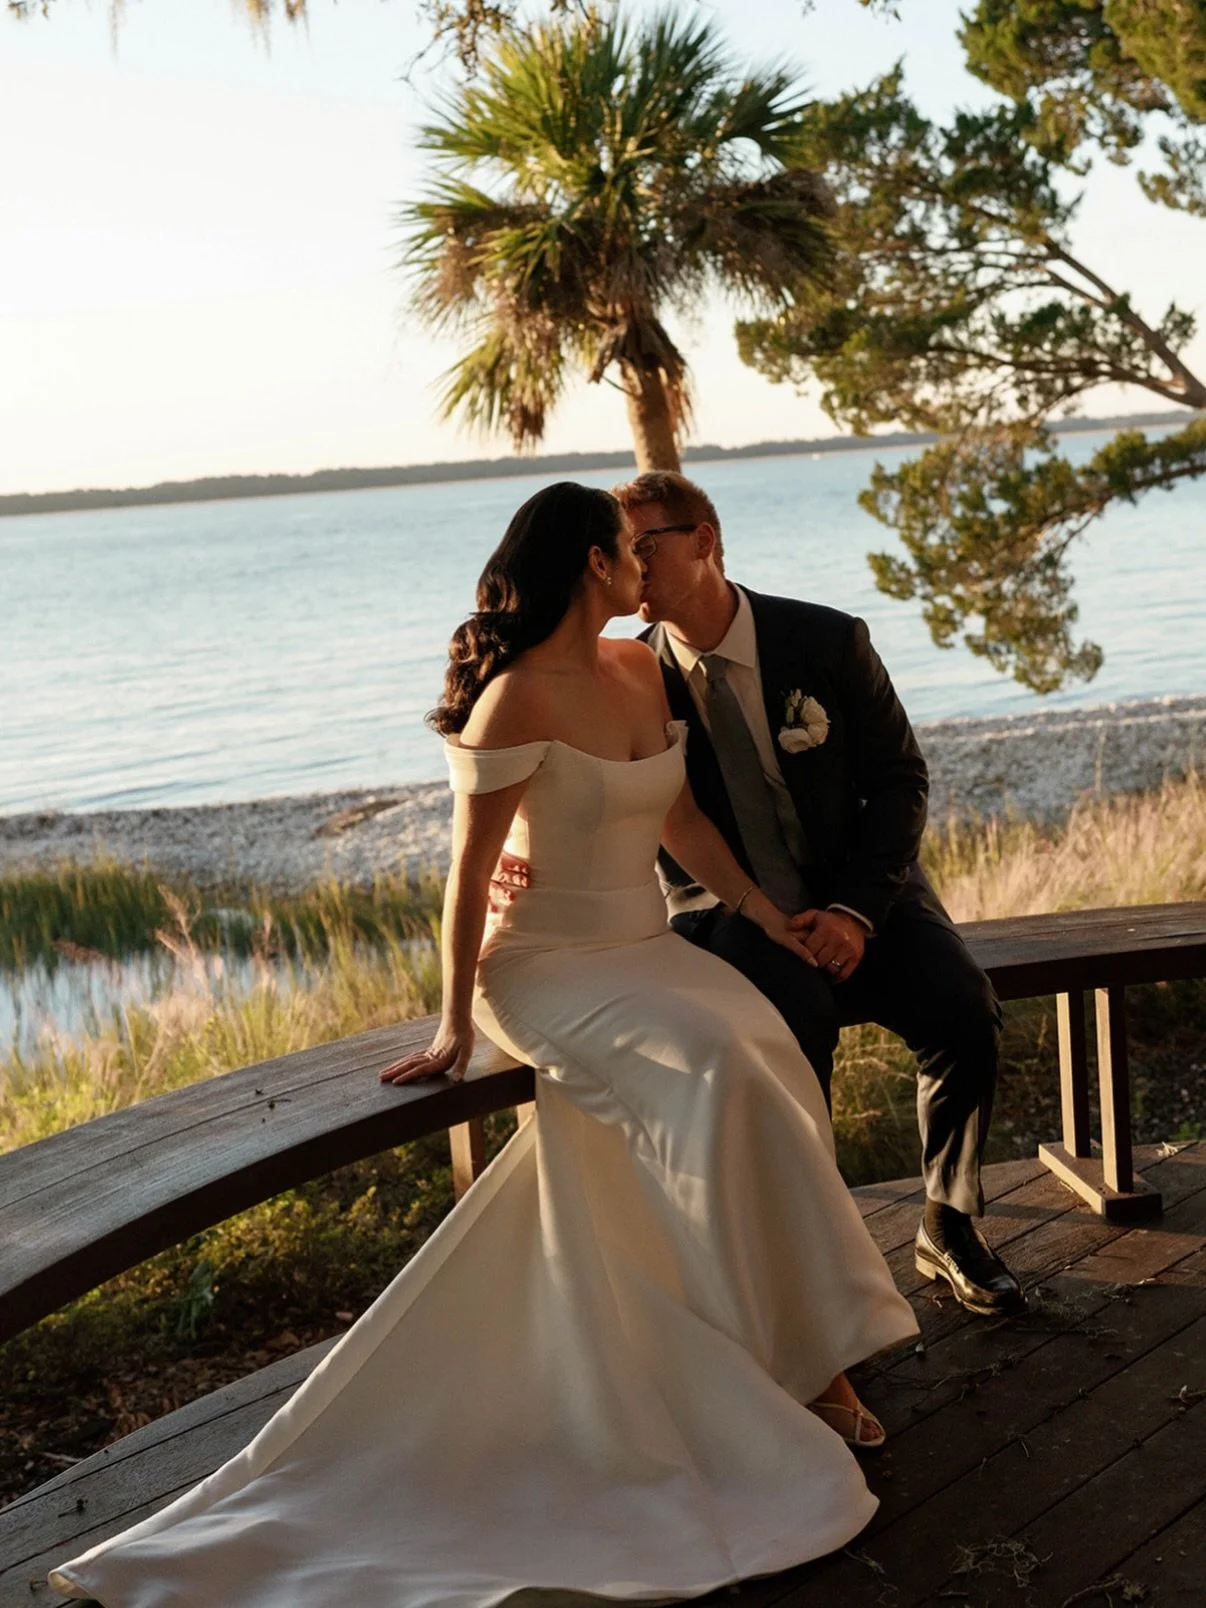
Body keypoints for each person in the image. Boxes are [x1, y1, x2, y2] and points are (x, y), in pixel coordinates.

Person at [49, 483, 918, 1608]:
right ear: (591, 567)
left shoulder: (640, 668)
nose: (642, 573)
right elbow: (468, 876)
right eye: (625, 554)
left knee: (763, 1047)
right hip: (544, 967)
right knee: (709, 1070)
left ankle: (798, 1343)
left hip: (645, 946)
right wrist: (455, 1018)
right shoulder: (511, 700)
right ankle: (790, 1376)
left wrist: (761, 915)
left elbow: (680, 821)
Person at [612, 469, 1024, 1321]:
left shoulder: (828, 640)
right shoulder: (631, 680)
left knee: (962, 1009)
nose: (632, 568)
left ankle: (948, 1220)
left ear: (704, 541)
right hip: (728, 910)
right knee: (791, 1029)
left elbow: (901, 780)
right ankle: (817, 1272)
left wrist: (853, 911)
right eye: (621, 553)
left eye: (645, 546)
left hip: (862, 890)